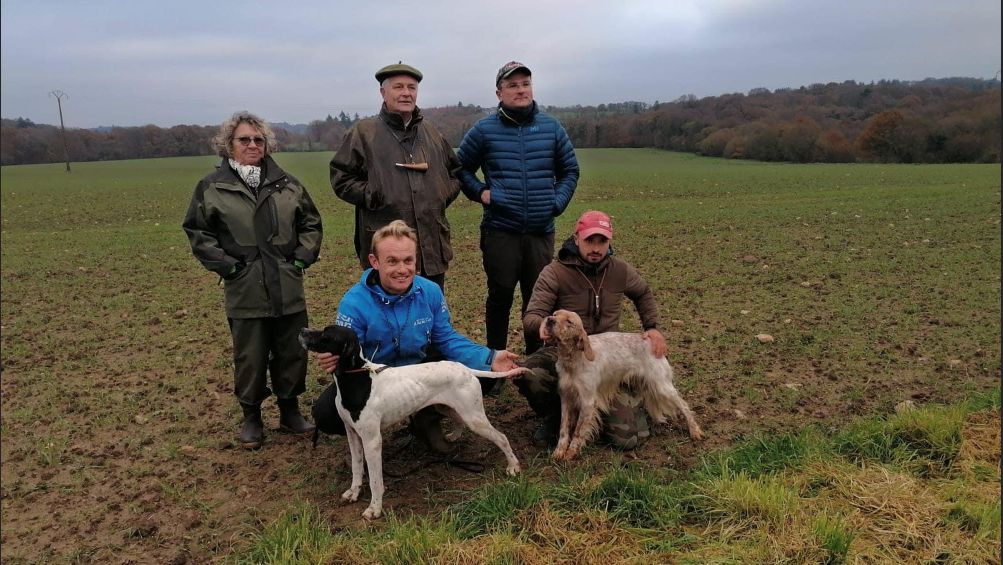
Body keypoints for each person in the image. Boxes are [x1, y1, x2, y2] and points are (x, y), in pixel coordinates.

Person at [315, 220, 521, 452]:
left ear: (416, 260)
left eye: (408, 260)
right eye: (392, 261)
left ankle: (426, 417)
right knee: (326, 413)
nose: (402, 270)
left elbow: (446, 338)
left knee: (476, 377)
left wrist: (489, 357)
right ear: (375, 262)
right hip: (377, 378)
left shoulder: (430, 291)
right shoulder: (353, 303)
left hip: (418, 367)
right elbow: (350, 354)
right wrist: (334, 359)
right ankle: (364, 437)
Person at [182, 111, 323, 450]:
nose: (252, 145)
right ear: (229, 144)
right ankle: (252, 417)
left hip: (287, 287)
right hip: (245, 290)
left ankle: (290, 412)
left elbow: (311, 225)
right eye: (244, 139)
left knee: (292, 352)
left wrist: (301, 258)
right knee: (251, 356)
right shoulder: (212, 187)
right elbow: (198, 233)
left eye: (258, 139)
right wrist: (230, 268)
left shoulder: (288, 184)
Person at [456, 61, 579, 392]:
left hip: (540, 232)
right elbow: (460, 168)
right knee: (499, 297)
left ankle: (534, 367)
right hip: (500, 230)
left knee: (536, 303)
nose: (521, 89)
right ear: (499, 92)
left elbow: (570, 170)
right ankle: (496, 367)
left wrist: (556, 203)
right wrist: (481, 192)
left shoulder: (551, 128)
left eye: (526, 83)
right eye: (513, 85)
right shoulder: (483, 131)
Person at [517, 210, 667, 450]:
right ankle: (557, 416)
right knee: (530, 374)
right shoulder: (555, 272)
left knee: (627, 438)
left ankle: (627, 400)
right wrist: (542, 326)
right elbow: (532, 315)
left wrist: (653, 328)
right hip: (564, 350)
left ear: (609, 242)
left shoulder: (620, 270)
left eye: (602, 241)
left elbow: (643, 293)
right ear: (576, 238)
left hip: (603, 358)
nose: (596, 248)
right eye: (589, 240)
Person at [330, 63, 462, 291]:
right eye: (398, 87)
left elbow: (455, 173)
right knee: (388, 318)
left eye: (411, 87)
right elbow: (340, 178)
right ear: (383, 92)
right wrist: (374, 195)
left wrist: (439, 196)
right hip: (387, 248)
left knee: (429, 316)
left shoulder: (431, 133)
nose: (406, 93)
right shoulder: (364, 133)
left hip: (431, 248)